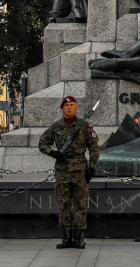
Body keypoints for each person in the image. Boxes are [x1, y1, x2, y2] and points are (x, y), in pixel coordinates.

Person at [38, 95, 101, 250]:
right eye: (66, 105)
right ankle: (66, 237)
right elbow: (42, 143)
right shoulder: (55, 126)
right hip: (62, 170)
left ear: (77, 107)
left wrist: (92, 167)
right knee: (64, 204)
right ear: (62, 108)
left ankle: (79, 238)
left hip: (80, 171)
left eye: (72, 105)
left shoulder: (85, 125)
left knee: (80, 204)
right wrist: (52, 153)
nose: (69, 107)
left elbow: (94, 147)